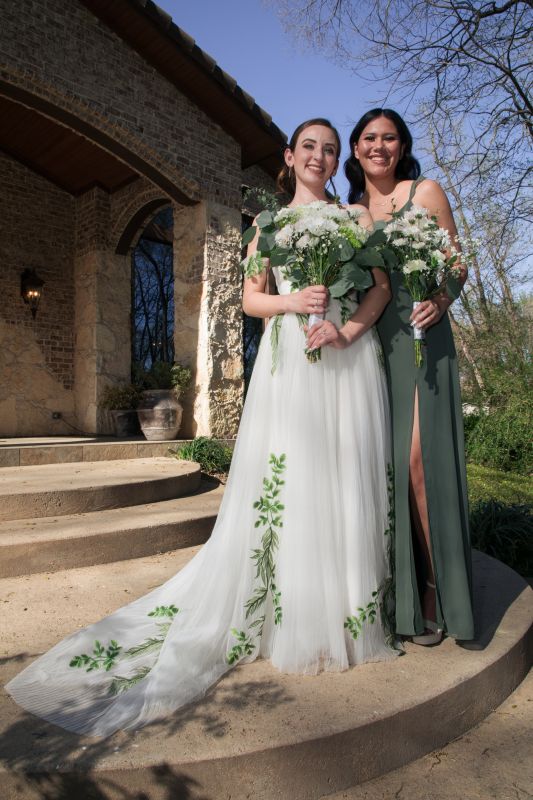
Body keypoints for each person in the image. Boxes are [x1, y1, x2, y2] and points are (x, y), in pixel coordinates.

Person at [6, 118, 395, 738]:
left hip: (348, 362)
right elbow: (249, 299)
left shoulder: (356, 219)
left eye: (328, 149)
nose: (319, 157)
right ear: (289, 157)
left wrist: (346, 331)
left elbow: (379, 290)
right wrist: (292, 303)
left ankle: (343, 616)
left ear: (335, 158)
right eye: (308, 148)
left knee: (343, 476)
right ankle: (294, 617)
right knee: (294, 479)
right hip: (293, 362)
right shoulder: (267, 226)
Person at [344, 108, 475, 645]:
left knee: (420, 461)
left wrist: (441, 300)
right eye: (369, 138)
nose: (379, 146)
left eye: (390, 137)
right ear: (356, 148)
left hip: (424, 338)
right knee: (387, 468)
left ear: (402, 146)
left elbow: (458, 261)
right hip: (373, 348)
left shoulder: (427, 192)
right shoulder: (349, 211)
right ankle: (396, 591)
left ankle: (438, 588)